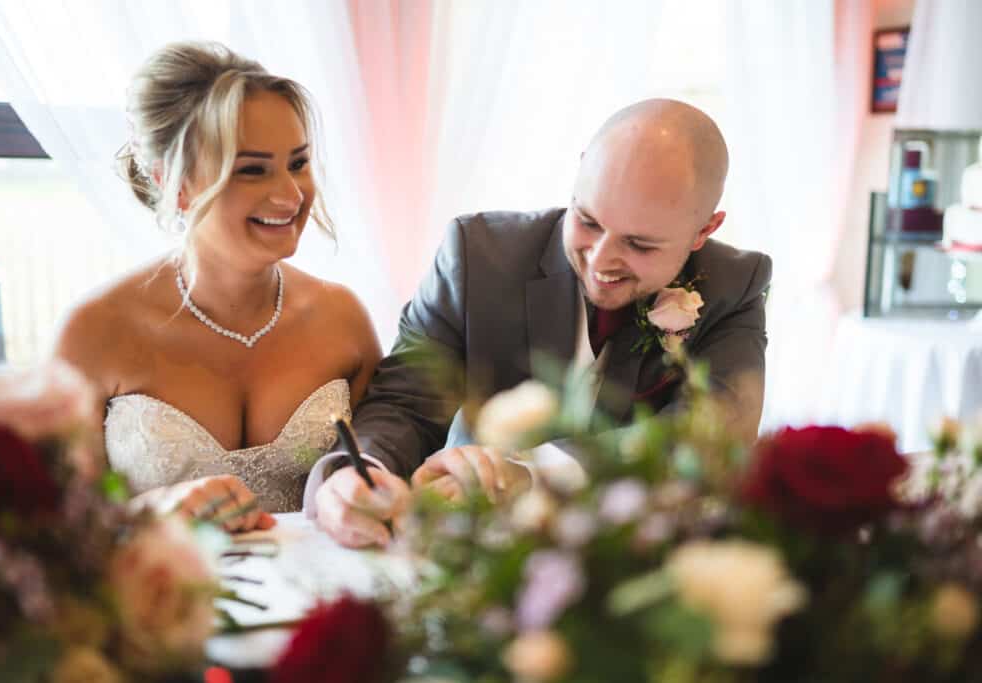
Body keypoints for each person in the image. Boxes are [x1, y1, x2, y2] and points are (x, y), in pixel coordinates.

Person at [309, 98, 772, 547]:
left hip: (636, 561)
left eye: (640, 245)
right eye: (588, 220)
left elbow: (708, 438)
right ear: (580, 169)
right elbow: (404, 401)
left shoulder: (734, 286)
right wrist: (362, 470)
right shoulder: (477, 256)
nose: (601, 259)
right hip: (475, 554)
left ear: (704, 231)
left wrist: (533, 473)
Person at [54, 42, 408, 532]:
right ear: (173, 183)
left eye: (298, 163)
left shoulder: (343, 318)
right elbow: (48, 530)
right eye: (251, 170)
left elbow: (385, 458)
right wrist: (146, 515)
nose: (289, 195)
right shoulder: (94, 331)